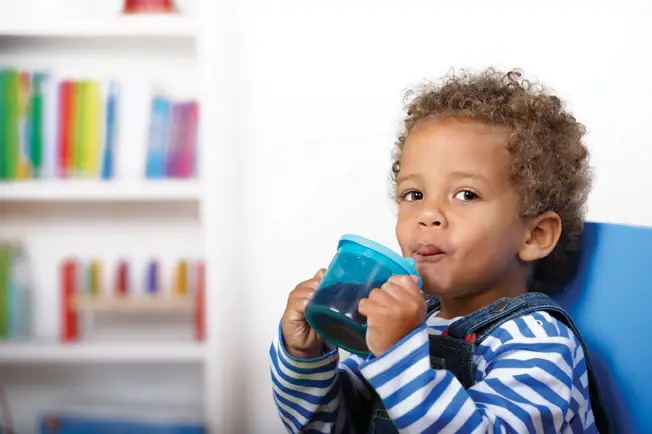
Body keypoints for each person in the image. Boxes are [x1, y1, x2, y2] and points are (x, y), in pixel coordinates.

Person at [269, 68, 609, 433]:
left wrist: (398, 353)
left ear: (535, 235)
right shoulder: (407, 321)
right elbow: (332, 427)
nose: (427, 215)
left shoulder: (537, 343)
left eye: (466, 195)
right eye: (413, 195)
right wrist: (306, 358)